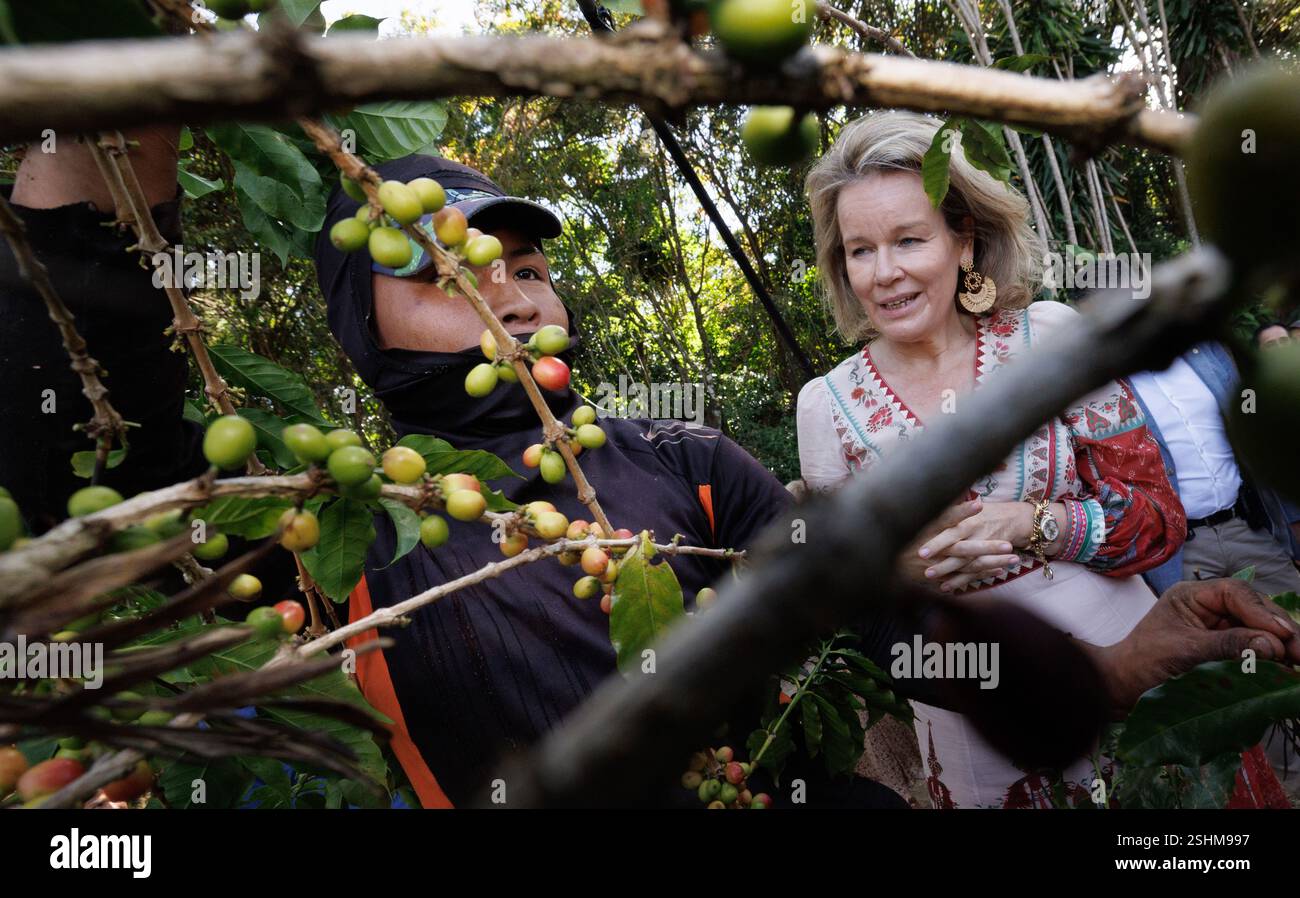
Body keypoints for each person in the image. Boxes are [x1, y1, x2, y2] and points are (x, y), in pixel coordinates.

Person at [2, 127, 1294, 810]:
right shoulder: (317, 514)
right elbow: (103, 446)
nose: (500, 284)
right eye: (436, 266)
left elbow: (892, 630)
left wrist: (1114, 664)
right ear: (360, 324)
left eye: (523, 262)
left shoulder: (677, 458)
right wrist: (114, 90)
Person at [796, 110, 1187, 809]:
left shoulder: (1053, 338)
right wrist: (903, 573)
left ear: (963, 239)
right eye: (860, 250)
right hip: (970, 710)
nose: (885, 274)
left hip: (1127, 650)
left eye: (909, 239)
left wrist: (1030, 523)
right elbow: (841, 609)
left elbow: (1160, 518)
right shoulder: (824, 406)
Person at [1128, 345, 1300, 596]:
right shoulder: (1109, 383)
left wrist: (1293, 518)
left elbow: (1259, 433)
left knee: (1291, 623)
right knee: (1210, 635)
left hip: (1248, 528)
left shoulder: (1209, 354)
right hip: (1177, 551)